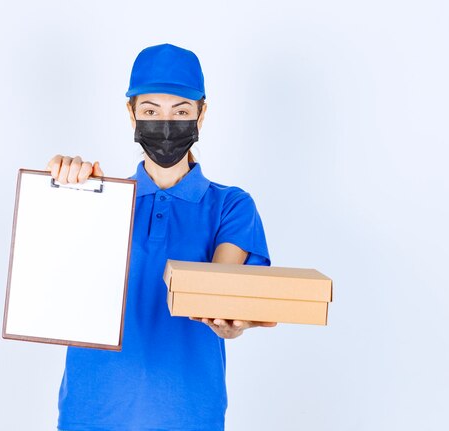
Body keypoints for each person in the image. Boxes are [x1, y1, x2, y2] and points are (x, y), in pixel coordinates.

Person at [47, 43, 277, 431]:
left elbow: (219, 296)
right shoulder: (97, 199)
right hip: (90, 414)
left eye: (181, 111)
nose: (166, 124)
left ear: (201, 115)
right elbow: (50, 277)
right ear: (131, 114)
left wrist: (228, 322)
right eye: (151, 111)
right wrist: (65, 191)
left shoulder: (230, 207)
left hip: (188, 416)